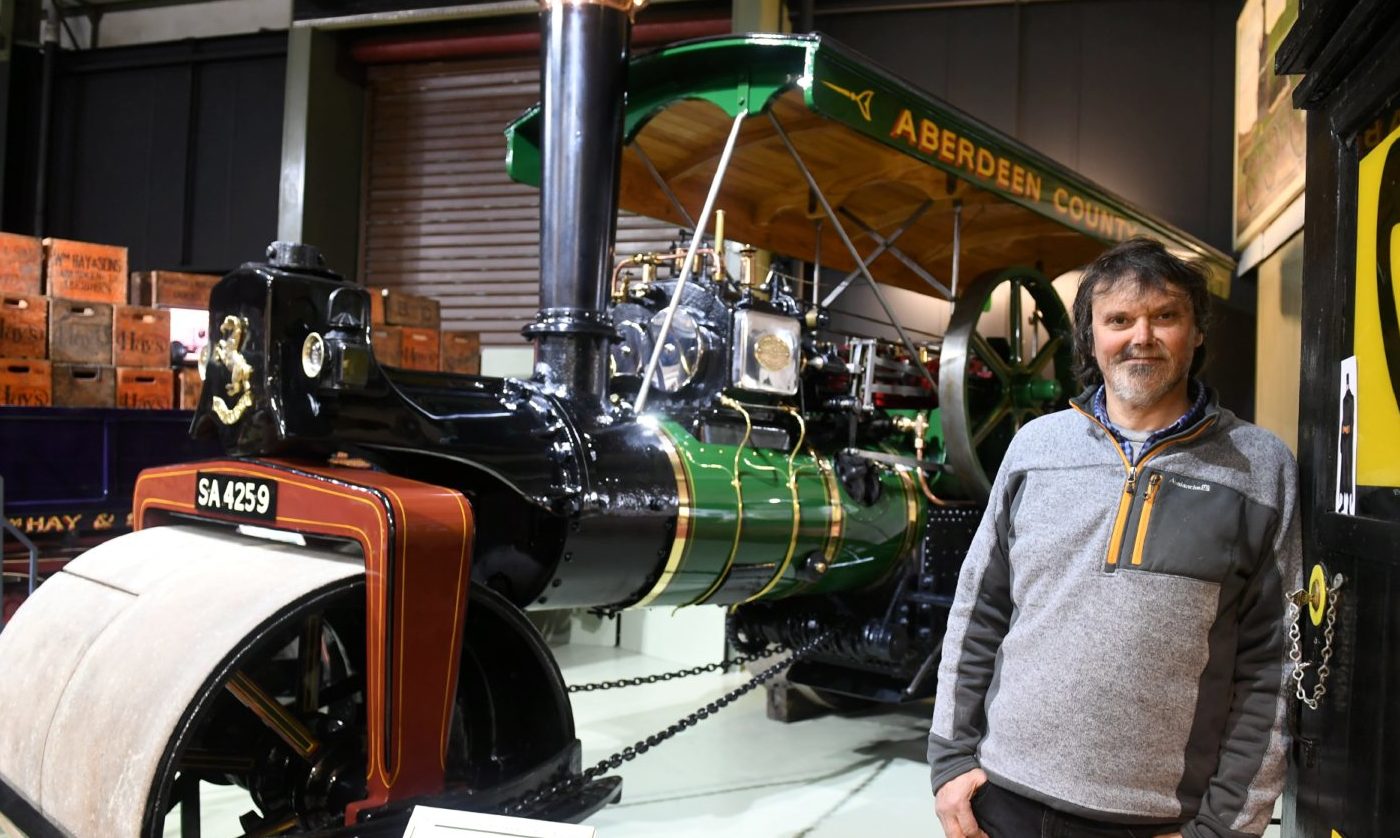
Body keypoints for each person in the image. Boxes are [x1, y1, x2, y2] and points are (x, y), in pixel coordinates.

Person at [928, 237, 1301, 838]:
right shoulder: (1034, 449)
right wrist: (950, 760)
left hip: (1154, 819)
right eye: (1119, 319)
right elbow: (979, 609)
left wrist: (1227, 827)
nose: (1141, 337)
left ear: (1197, 332)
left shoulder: (1260, 467)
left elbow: (1272, 666)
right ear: (1091, 337)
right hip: (1003, 799)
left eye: (1165, 316)